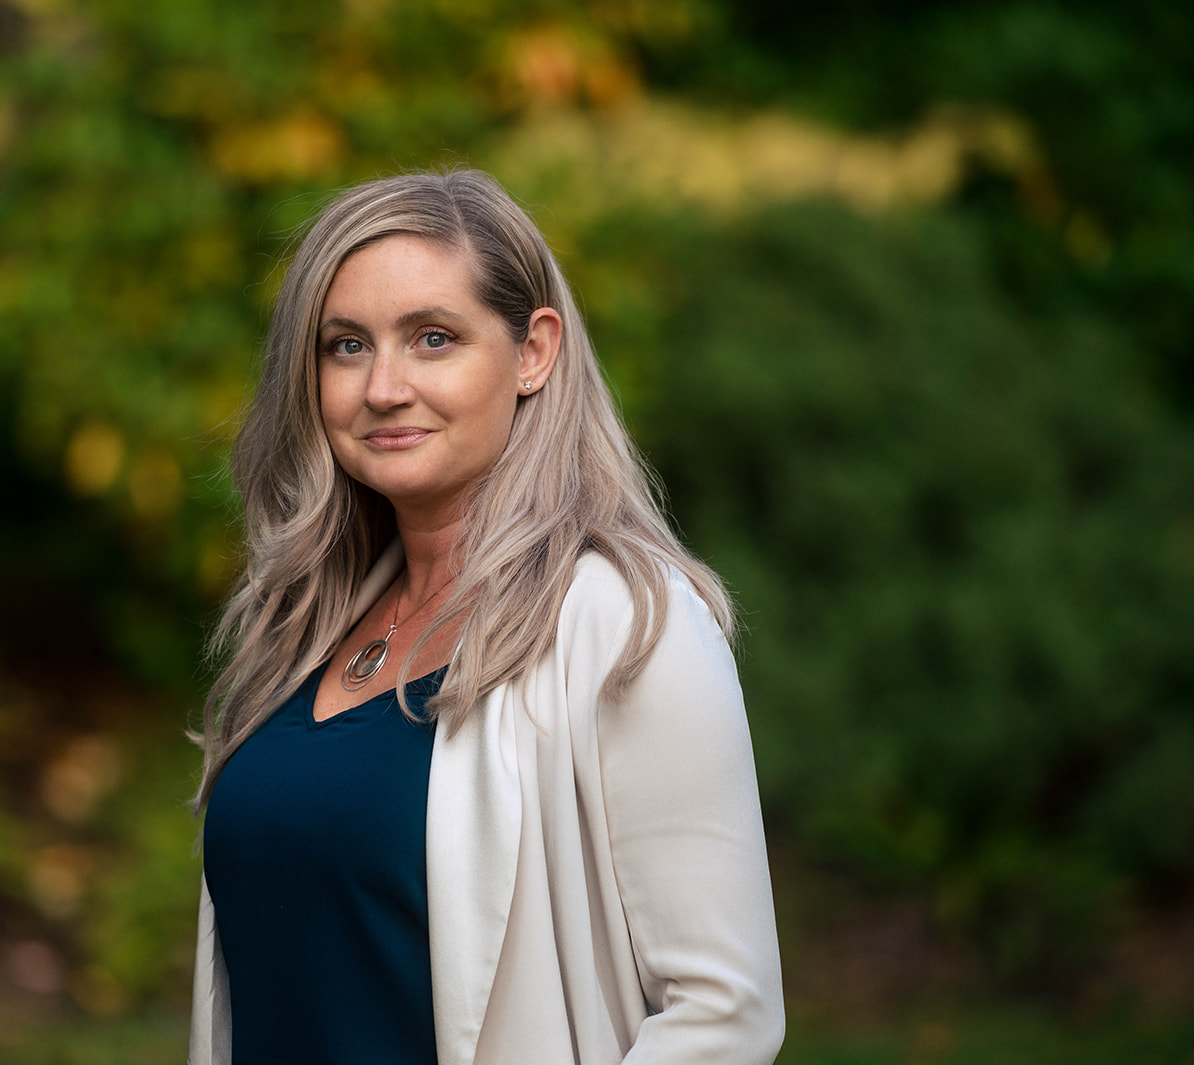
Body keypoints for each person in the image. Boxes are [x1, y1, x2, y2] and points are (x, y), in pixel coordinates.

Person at [190, 169, 783, 1065]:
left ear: (533, 350)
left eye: (433, 338)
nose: (383, 386)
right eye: (345, 346)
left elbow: (723, 1013)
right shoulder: (302, 623)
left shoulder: (624, 626)